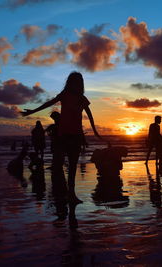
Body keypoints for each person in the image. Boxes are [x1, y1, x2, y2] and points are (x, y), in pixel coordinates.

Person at [21, 71, 103, 203]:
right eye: (76, 81)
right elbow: (48, 103)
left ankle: (72, 194)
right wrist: (32, 111)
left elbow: (90, 116)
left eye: (80, 81)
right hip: (64, 135)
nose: (79, 83)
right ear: (71, 82)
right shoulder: (65, 95)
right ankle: (64, 193)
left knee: (72, 166)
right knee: (59, 164)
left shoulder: (82, 98)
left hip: (76, 135)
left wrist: (95, 132)